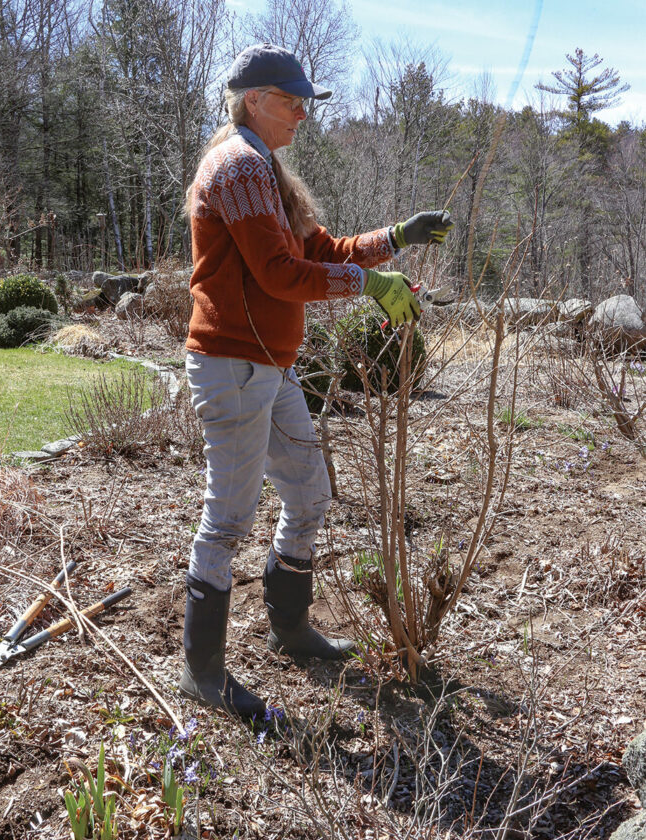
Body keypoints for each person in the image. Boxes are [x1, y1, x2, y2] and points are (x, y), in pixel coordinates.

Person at [180, 43, 452, 718]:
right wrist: (369, 283)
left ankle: (290, 627)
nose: (303, 113)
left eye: (305, 102)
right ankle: (203, 672)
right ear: (255, 101)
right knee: (228, 519)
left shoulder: (264, 168)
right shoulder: (239, 168)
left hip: (269, 367)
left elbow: (317, 251)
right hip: (235, 366)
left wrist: (394, 236)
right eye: (291, 101)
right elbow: (278, 273)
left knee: (308, 492)